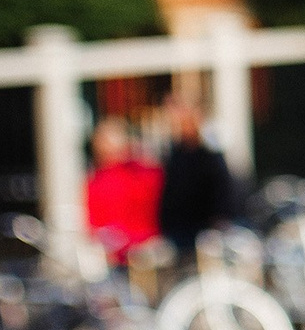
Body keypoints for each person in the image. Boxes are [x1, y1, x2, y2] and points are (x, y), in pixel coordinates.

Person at [156, 98, 237, 257]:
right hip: (179, 231)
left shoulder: (210, 156)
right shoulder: (176, 155)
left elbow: (221, 192)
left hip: (203, 231)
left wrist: (218, 223)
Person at [82, 117, 161, 263]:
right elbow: (94, 224)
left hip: (147, 249)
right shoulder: (96, 182)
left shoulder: (143, 173)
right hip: (119, 255)